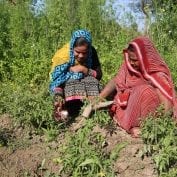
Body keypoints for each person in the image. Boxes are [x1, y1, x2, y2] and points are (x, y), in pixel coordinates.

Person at [99, 36, 177, 137]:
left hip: (151, 116)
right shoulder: (129, 66)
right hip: (127, 108)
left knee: (145, 91)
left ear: (145, 58)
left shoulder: (157, 74)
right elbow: (116, 80)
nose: (131, 62)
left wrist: (160, 125)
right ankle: (131, 124)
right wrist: (99, 97)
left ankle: (145, 129)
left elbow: (168, 104)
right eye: (131, 59)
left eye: (135, 60)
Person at [49, 29, 102, 122]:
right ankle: (67, 112)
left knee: (92, 81)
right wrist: (58, 97)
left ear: (89, 49)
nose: (81, 56)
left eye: (84, 53)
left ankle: (92, 109)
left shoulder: (92, 52)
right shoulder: (64, 56)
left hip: (87, 92)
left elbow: (98, 75)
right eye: (77, 52)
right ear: (72, 47)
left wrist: (84, 69)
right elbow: (58, 80)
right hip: (67, 92)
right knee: (72, 82)